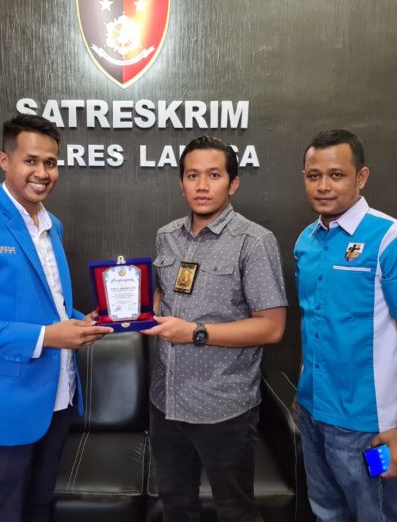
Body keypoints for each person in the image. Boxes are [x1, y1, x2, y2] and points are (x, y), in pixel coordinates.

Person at [0, 114, 113, 522]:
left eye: (50, 163)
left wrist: (82, 320)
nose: (42, 173)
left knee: (37, 509)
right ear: (4, 160)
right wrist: (47, 336)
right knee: (1, 513)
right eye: (31, 161)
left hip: (56, 399)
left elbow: (47, 305)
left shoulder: (52, 225)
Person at [142, 135, 287, 522]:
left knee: (235, 511)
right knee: (176, 506)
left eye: (214, 175)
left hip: (224, 407)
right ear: (181, 183)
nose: (202, 185)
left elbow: (271, 327)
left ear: (232, 183)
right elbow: (163, 296)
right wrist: (132, 313)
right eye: (192, 175)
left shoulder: (254, 242)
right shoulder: (167, 235)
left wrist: (195, 332)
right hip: (166, 401)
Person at [294, 129, 397, 521]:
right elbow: (313, 321)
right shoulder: (307, 241)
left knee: (376, 514)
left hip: (372, 430)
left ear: (361, 177)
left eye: (336, 175)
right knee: (326, 512)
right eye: (314, 176)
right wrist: (304, 390)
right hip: (314, 415)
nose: (323, 186)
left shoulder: (396, 241)